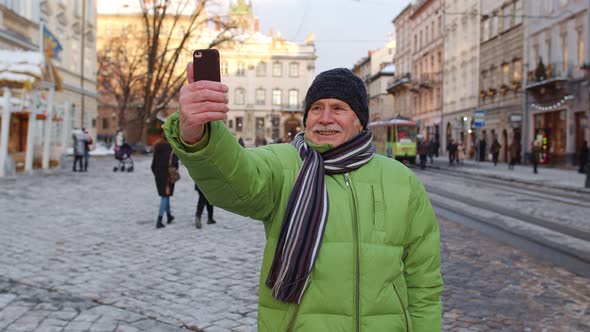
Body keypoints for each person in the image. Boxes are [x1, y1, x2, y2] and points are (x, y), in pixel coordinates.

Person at [165, 66, 442, 331]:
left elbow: (423, 282)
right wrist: (197, 134)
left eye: (338, 109)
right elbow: (235, 175)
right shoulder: (284, 165)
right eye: (316, 108)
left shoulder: (402, 180)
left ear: (359, 121)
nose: (324, 118)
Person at [151, 132, 178, 229]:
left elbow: (153, 165)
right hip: (168, 176)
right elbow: (175, 164)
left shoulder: (157, 147)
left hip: (158, 175)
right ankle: (159, 220)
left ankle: (169, 216)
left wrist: (157, 174)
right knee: (165, 196)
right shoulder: (173, 149)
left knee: (166, 195)